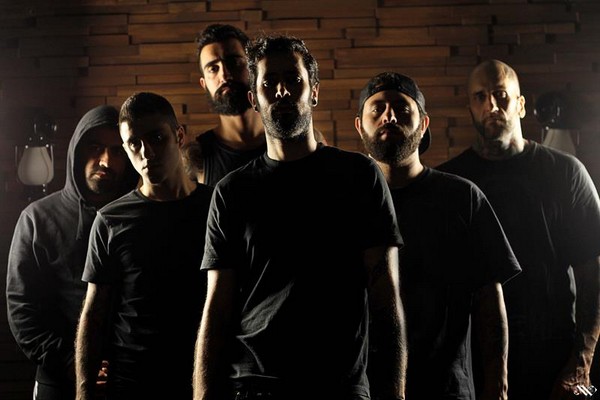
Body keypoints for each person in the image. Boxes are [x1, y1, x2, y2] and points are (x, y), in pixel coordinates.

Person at [192, 35, 407, 400]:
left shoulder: (358, 176)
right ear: (254, 99)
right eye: (269, 83)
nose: (282, 91)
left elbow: (385, 295)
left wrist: (395, 393)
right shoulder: (232, 192)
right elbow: (217, 309)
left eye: (293, 80)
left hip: (339, 387)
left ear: (314, 92)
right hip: (255, 387)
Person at [437, 59, 600, 400]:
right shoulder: (450, 183)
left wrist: (581, 360)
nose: (491, 105)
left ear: (521, 105)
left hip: (552, 355)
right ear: (470, 108)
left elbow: (593, 275)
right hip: (475, 362)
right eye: (480, 97)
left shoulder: (566, 173)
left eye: (501, 95)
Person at [354, 71, 522, 400]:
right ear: (360, 126)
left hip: (447, 389)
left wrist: (498, 388)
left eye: (402, 109)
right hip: (366, 389)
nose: (389, 116)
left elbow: (489, 302)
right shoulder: (346, 203)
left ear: (424, 124)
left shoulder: (462, 198)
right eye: (377, 109)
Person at [74, 92, 213, 400]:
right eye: (134, 144)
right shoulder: (111, 220)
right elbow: (94, 313)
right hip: (131, 381)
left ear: (178, 136)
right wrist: (83, 391)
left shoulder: (215, 207)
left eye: (156, 138)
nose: (146, 152)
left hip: (202, 378)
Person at [6, 105, 139, 400]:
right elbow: (21, 309)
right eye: (95, 147)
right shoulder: (37, 219)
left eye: (117, 151)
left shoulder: (138, 218)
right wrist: (69, 362)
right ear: (77, 151)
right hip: (58, 379)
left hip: (128, 380)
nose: (105, 160)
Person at [185, 23, 326, 185]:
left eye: (234, 62)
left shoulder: (305, 140)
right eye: (213, 68)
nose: (224, 75)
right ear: (203, 84)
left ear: (253, 70)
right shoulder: (196, 157)